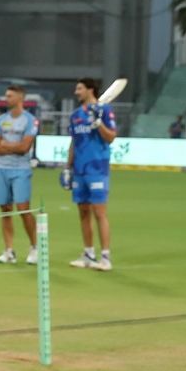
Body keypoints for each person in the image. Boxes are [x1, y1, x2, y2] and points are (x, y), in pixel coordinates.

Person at [64, 77, 118, 271]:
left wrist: (98, 123)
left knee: (99, 213)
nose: (76, 92)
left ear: (90, 90)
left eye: (79, 88)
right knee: (83, 212)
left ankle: (105, 257)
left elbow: (111, 137)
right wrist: (67, 167)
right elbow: (74, 142)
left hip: (98, 170)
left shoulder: (104, 111)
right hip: (79, 170)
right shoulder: (76, 114)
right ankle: (88, 254)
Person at [0, 85, 38, 265]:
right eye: (6, 96)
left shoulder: (30, 120)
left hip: (21, 169)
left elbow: (24, 147)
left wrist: (4, 144)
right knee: (5, 210)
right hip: (1, 169)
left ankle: (34, 248)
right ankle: (9, 250)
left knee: (24, 209)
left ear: (20, 98)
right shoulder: (0, 120)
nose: (6, 99)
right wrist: (11, 146)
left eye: (10, 96)